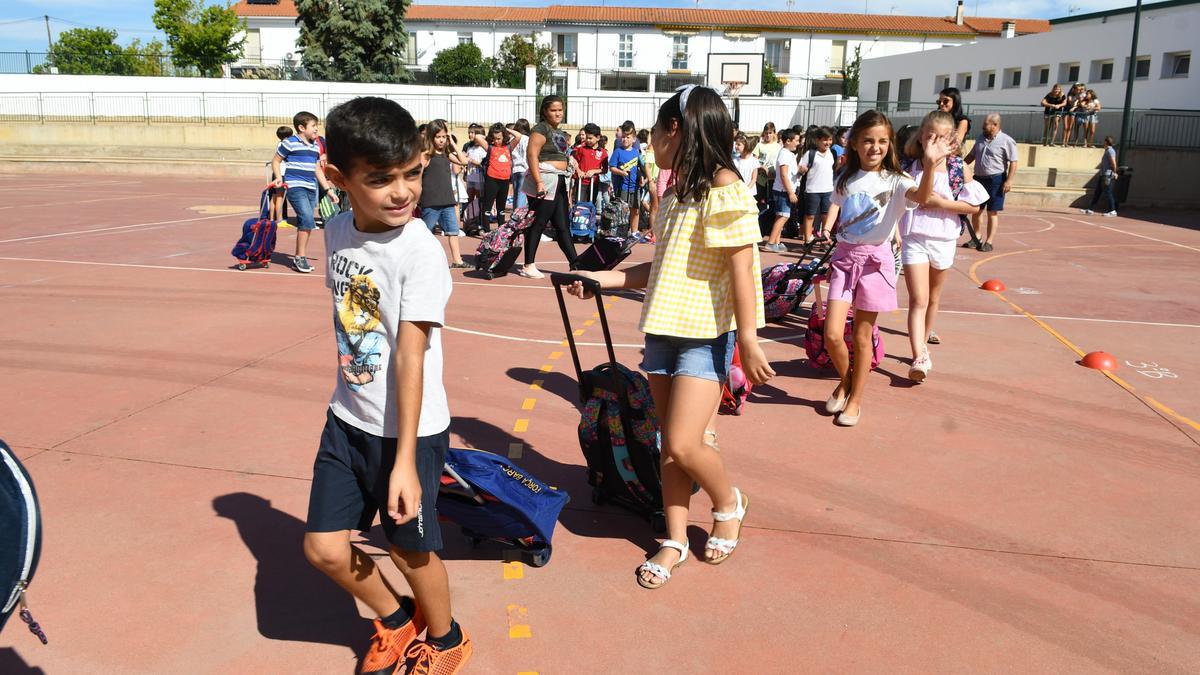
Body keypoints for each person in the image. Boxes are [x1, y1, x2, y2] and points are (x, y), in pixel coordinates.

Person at [564, 85, 774, 589]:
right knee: (670, 443)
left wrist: (749, 337)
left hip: (705, 335)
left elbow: (743, 271)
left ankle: (729, 502)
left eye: (656, 129)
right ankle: (675, 537)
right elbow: (661, 266)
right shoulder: (678, 192)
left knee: (683, 442)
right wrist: (605, 280)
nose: (651, 140)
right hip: (663, 330)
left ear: (676, 129)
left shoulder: (727, 187)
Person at [308, 96, 472, 675]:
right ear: (337, 178)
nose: (402, 191)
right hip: (347, 418)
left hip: (411, 432)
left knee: (408, 548)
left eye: (411, 173)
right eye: (380, 179)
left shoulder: (421, 252)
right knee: (324, 548)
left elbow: (411, 356)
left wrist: (404, 461)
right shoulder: (335, 231)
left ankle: (448, 639)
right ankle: (399, 623)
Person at [819, 110, 945, 426]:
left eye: (882, 141)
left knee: (862, 336)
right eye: (868, 141)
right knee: (833, 334)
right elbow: (837, 206)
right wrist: (827, 227)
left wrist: (929, 165)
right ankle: (846, 382)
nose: (875, 147)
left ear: (890, 145)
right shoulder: (846, 178)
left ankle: (856, 400)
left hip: (876, 263)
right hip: (846, 261)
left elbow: (922, 196)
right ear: (855, 144)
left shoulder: (898, 181)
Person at [900, 111, 982, 381]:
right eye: (931, 135)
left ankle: (922, 342)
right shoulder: (908, 166)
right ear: (921, 136)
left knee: (933, 298)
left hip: (945, 239)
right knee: (918, 299)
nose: (935, 141)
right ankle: (919, 355)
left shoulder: (959, 169)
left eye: (943, 137)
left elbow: (974, 206)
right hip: (915, 238)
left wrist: (942, 204)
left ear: (952, 141)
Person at [272, 111, 339, 273]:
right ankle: (299, 258)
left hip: (311, 187)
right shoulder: (289, 143)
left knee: (307, 223)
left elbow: (317, 169)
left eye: (317, 125)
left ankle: (299, 256)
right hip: (295, 186)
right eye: (313, 126)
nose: (317, 129)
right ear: (301, 128)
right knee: (308, 219)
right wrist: (279, 177)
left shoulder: (315, 146)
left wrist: (328, 190)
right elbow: (276, 160)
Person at [521, 95, 579, 278]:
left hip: (559, 181)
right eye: (553, 110)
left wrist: (570, 161)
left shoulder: (559, 132)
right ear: (545, 111)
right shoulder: (540, 129)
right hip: (546, 181)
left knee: (562, 225)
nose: (558, 113)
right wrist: (538, 182)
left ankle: (576, 264)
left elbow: (561, 156)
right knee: (538, 222)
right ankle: (528, 265)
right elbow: (532, 155)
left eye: (560, 110)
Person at [419, 119, 471, 269]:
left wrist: (452, 142)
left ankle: (457, 260)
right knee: (426, 233)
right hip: (431, 201)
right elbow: (417, 176)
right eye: (438, 137)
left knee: (453, 231)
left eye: (443, 137)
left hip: (447, 200)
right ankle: (422, 261)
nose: (441, 140)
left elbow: (464, 161)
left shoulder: (447, 154)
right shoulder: (426, 155)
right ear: (431, 137)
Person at [965, 113, 1018, 253]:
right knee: (976, 210)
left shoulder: (1007, 141)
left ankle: (989, 242)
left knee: (992, 212)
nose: (983, 126)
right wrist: (959, 165)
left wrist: (1009, 180)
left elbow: (1014, 162)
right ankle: (976, 237)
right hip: (979, 179)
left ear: (995, 125)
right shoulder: (980, 138)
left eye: (986, 123)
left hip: (996, 179)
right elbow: (971, 155)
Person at [476, 122, 524, 231]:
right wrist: (489, 137)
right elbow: (478, 137)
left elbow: (519, 136)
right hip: (491, 179)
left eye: (499, 138)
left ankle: (501, 230)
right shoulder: (490, 147)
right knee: (487, 207)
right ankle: (486, 230)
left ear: (504, 137)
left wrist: (506, 130)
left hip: (504, 180)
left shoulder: (509, 147)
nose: (497, 141)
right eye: (495, 138)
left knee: (501, 208)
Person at [762, 128, 802, 253]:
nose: (798, 143)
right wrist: (790, 192)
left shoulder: (788, 154)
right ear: (788, 141)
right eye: (796, 140)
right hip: (783, 191)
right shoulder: (784, 153)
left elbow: (789, 173)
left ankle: (776, 242)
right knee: (783, 216)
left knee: (780, 216)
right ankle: (771, 242)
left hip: (784, 190)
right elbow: (784, 175)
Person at [796, 127, 836, 244]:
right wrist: (802, 169)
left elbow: (833, 169)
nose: (828, 142)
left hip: (828, 189)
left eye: (829, 139)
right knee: (810, 216)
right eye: (825, 140)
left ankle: (825, 239)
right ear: (818, 140)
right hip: (812, 190)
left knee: (826, 216)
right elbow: (800, 168)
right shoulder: (810, 153)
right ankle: (807, 240)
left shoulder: (831, 153)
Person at [609, 120, 643, 232]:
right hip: (623, 187)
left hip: (635, 186)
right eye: (623, 137)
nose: (625, 139)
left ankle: (634, 232)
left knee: (635, 210)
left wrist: (642, 177)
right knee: (623, 210)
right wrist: (621, 172)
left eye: (628, 137)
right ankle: (621, 231)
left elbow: (640, 167)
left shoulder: (636, 152)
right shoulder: (618, 151)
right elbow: (612, 168)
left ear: (634, 139)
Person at [1081, 135, 1118, 217]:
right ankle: (1090, 209)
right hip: (1103, 175)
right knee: (1097, 193)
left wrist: (1115, 172)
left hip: (1107, 175)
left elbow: (1113, 164)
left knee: (1108, 193)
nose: (1103, 143)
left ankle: (1113, 210)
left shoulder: (1110, 151)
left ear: (1106, 142)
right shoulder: (1107, 150)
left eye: (1104, 141)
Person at [573, 123, 608, 205]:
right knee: (579, 205)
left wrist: (594, 171)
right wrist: (578, 171)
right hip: (581, 182)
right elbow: (575, 161)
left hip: (594, 182)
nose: (588, 140)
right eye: (587, 138)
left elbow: (605, 169)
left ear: (598, 138)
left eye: (590, 138)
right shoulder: (581, 149)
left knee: (590, 205)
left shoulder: (603, 152)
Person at [752, 122, 782, 204]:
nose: (768, 135)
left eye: (770, 133)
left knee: (771, 202)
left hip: (774, 179)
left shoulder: (778, 147)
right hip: (760, 179)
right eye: (766, 133)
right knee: (758, 201)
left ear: (774, 133)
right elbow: (754, 160)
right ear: (763, 133)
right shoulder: (759, 145)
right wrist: (761, 167)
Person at [268, 125, 292, 222]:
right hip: (281, 173)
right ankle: (280, 219)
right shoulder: (284, 145)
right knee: (279, 196)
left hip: (276, 172)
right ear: (287, 136)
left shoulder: (280, 143)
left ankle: (272, 218)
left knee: (274, 196)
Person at [509, 119, 531, 211]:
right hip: (525, 168)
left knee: (516, 194)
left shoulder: (513, 139)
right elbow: (528, 154)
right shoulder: (528, 139)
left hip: (515, 168)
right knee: (521, 195)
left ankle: (515, 214)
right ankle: (518, 216)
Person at [1062, 83, 1086, 147]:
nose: (1079, 91)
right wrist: (1076, 101)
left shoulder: (1079, 95)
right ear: (1074, 89)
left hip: (1073, 111)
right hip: (1066, 111)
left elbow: (1077, 104)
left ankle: (1066, 143)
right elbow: (1070, 101)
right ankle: (1063, 142)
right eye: (1077, 90)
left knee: (1070, 128)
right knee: (1065, 127)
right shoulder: (1070, 94)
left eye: (1079, 90)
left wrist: (1075, 105)